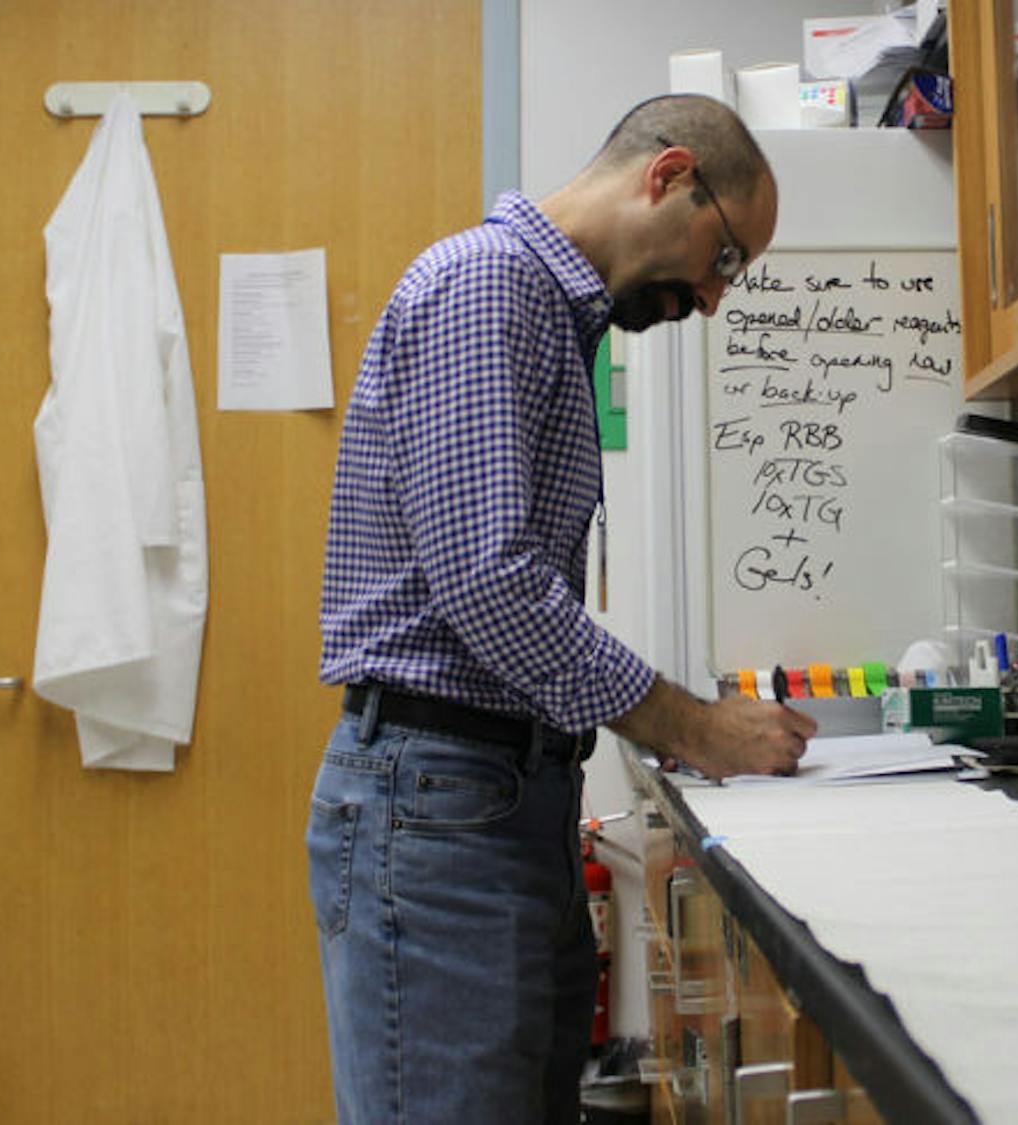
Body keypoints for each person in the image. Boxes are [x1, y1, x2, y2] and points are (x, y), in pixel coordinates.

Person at [306, 93, 817, 1125]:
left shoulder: (547, 309)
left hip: (496, 799)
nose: (715, 302)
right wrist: (697, 726)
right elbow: (492, 586)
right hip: (440, 806)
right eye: (724, 259)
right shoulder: (488, 285)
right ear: (669, 175)